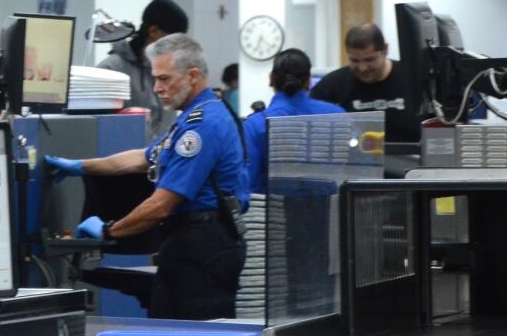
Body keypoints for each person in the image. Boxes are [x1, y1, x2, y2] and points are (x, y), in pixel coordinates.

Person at [49, 33, 249, 320]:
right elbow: (141, 159)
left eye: (165, 79)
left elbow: (161, 205)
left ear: (193, 76)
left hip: (202, 246)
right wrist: (80, 166)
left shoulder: (202, 126)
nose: (157, 88)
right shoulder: (194, 116)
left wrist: (109, 231)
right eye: (155, 78)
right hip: (193, 242)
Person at [244, 48, 344, 194]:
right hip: (329, 212)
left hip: (274, 212)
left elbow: (250, 183)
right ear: (309, 81)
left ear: (271, 78)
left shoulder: (255, 124)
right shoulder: (337, 115)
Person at [310, 23, 419, 143]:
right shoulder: (333, 84)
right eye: (354, 60)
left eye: (369, 59)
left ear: (385, 50)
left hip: (409, 159)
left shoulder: (413, 78)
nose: (362, 68)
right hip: (356, 159)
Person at [98, 0, 190, 138]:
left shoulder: (169, 71)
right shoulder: (110, 70)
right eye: (172, 41)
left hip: (163, 156)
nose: (176, 48)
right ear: (153, 31)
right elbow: (100, 127)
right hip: (126, 157)